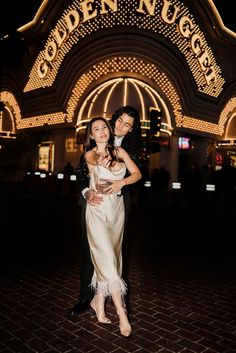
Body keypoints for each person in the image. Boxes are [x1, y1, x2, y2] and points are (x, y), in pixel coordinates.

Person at [69, 106, 142, 317]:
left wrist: (120, 183)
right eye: (119, 120)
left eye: (127, 124)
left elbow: (135, 175)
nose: (120, 126)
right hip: (93, 204)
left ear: (130, 130)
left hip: (118, 206)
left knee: (114, 250)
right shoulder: (95, 144)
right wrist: (86, 192)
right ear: (114, 120)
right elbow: (81, 174)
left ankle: (103, 298)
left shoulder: (129, 149)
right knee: (89, 250)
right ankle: (86, 297)